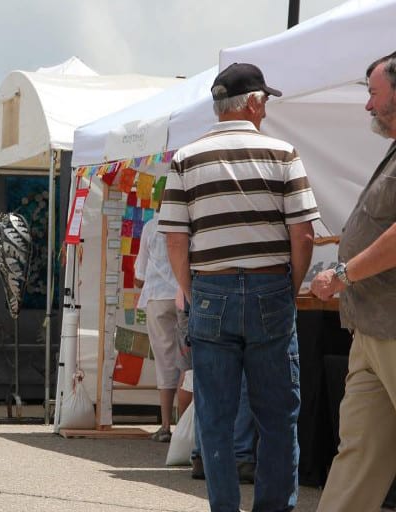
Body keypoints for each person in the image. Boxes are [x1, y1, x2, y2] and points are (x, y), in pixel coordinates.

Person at [159, 63, 318, 511]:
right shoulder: (283, 153)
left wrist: (193, 291)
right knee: (277, 416)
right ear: (251, 103)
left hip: (211, 289)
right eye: (263, 101)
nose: (265, 109)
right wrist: (290, 285)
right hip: (271, 289)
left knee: (215, 417)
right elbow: (302, 234)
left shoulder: (186, 158)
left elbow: (174, 237)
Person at [310, 52, 396, 512]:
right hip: (373, 326)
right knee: (358, 450)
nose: (367, 106)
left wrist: (344, 273)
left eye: (372, 93)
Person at [134, 212, 189, 443]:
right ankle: (185, 425)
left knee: (165, 362)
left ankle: (165, 425)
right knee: (187, 361)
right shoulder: (189, 223)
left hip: (157, 297)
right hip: (184, 295)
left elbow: (139, 275)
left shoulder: (150, 226)